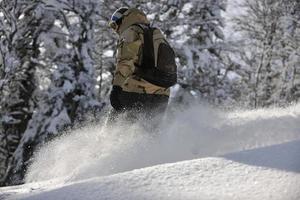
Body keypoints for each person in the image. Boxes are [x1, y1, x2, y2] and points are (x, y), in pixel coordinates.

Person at [108, 7, 175, 127]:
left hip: (136, 91)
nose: (115, 29)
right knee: (150, 135)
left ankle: (105, 145)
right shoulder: (156, 33)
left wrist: (116, 88)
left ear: (125, 19)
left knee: (115, 127)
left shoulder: (131, 31)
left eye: (115, 23)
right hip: (162, 94)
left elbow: (125, 61)